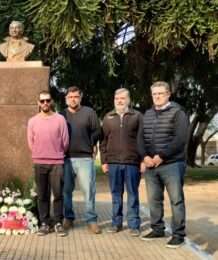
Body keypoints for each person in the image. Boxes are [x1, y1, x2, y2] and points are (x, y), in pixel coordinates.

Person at [140, 81, 189, 249]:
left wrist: (161, 156)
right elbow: (140, 138)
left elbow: (180, 139)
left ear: (168, 94)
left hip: (172, 164)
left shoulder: (178, 113)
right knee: (154, 200)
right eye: (154, 94)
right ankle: (158, 229)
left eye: (161, 93)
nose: (157, 96)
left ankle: (178, 235)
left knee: (176, 200)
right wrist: (144, 156)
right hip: (151, 165)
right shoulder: (147, 114)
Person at [100, 88, 145, 237]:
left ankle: (134, 225)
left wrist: (143, 160)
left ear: (128, 100)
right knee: (116, 195)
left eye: (123, 98)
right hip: (113, 163)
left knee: (133, 194)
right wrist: (104, 161)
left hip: (132, 163)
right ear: (114, 100)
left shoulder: (137, 116)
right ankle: (116, 223)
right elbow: (103, 141)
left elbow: (142, 140)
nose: (120, 101)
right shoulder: (108, 117)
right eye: (117, 98)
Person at [27, 90, 69, 237]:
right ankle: (44, 223)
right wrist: (39, 154)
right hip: (39, 162)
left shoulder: (60, 119)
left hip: (57, 162)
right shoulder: (32, 121)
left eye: (47, 100)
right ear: (38, 103)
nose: (45, 103)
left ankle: (58, 222)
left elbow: (65, 141)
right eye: (42, 101)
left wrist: (56, 154)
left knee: (58, 194)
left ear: (51, 102)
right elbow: (31, 142)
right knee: (42, 195)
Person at [61, 86, 101, 234]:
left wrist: (90, 143)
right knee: (66, 190)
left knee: (89, 190)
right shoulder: (61, 114)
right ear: (66, 99)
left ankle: (91, 220)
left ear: (80, 97)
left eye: (76, 96)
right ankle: (68, 218)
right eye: (70, 97)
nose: (73, 99)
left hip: (85, 158)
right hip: (66, 158)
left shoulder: (89, 113)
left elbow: (97, 130)